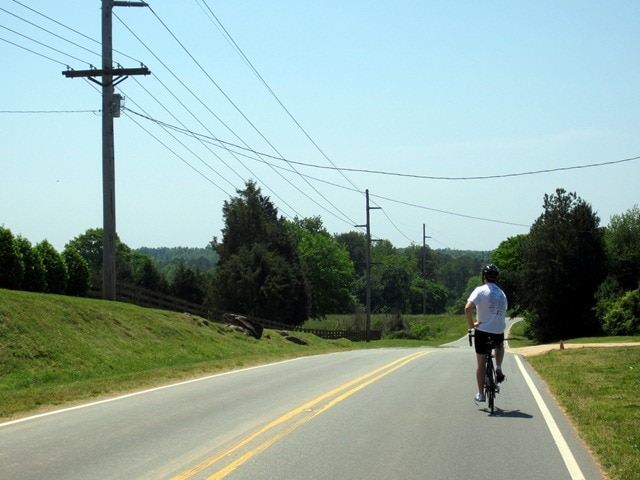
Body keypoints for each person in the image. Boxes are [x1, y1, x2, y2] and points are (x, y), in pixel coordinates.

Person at [465, 263, 508, 403]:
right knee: (499, 346)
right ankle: (498, 366)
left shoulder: (480, 290)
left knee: (481, 363)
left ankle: (481, 394)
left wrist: (472, 325)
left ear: (484, 276)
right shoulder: (502, 294)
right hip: (498, 331)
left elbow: (467, 308)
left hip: (482, 332)